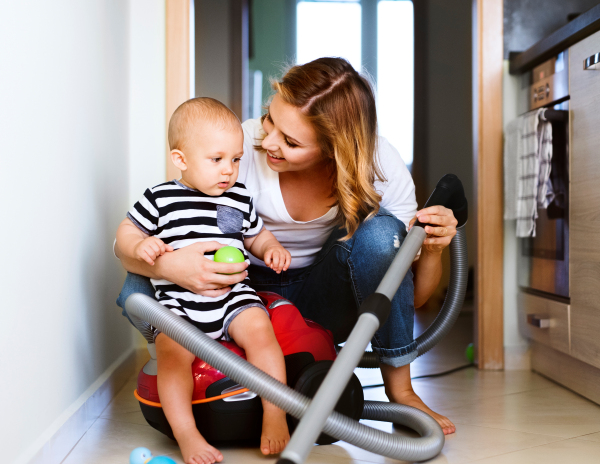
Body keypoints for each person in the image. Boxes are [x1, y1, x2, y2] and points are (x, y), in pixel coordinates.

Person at [116, 57, 458, 435]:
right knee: (136, 289)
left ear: (333, 150)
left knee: (381, 235)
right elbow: (143, 237)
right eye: (270, 120)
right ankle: (181, 352)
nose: (269, 143)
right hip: (230, 290)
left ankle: (401, 392)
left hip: (318, 298)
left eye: (291, 142)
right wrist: (171, 268)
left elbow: (413, 297)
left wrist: (432, 249)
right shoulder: (234, 146)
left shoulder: (379, 164)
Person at [116, 98, 292, 464]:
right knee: (173, 356)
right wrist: (142, 244)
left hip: (233, 297)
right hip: (180, 304)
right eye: (216, 160)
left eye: (236, 159)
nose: (228, 170)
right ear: (181, 159)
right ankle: (188, 434)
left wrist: (270, 247)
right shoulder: (161, 198)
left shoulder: (238, 198)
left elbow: (254, 236)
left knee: (262, 333)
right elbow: (126, 232)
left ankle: (275, 415)